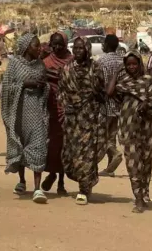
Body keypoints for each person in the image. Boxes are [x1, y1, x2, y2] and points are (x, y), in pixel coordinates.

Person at [106, 50, 152, 213]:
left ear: (139, 64)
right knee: (132, 161)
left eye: (134, 64)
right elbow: (109, 92)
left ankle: (144, 193)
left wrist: (147, 105)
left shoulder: (148, 80)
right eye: (128, 64)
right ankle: (137, 198)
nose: (131, 67)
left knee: (146, 160)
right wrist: (117, 72)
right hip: (128, 126)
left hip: (146, 127)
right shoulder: (123, 82)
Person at [1, 33, 50, 204]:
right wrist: (24, 85)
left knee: (39, 145)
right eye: (36, 46)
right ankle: (22, 181)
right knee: (20, 143)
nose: (39, 49)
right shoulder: (14, 64)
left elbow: (46, 86)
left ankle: (37, 188)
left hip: (36, 110)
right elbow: (6, 88)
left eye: (39, 46)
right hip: (18, 111)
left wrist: (44, 86)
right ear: (26, 47)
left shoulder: (40, 65)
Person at [58, 37, 107, 205]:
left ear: (87, 49)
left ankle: (84, 189)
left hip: (90, 118)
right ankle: (82, 182)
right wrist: (67, 104)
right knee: (70, 153)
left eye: (81, 48)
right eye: (76, 48)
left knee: (87, 153)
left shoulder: (96, 68)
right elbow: (61, 91)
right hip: (72, 119)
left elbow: (102, 93)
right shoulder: (66, 69)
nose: (78, 51)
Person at [41, 32, 73, 195]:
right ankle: (52, 173)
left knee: (64, 146)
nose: (58, 47)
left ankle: (61, 181)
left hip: (67, 109)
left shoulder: (71, 60)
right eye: (55, 44)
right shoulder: (46, 61)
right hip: (50, 108)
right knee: (51, 146)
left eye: (60, 44)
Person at [98, 34, 124, 177]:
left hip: (105, 103)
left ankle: (114, 153)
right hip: (119, 104)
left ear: (106, 45)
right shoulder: (123, 61)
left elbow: (99, 83)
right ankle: (110, 168)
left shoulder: (101, 61)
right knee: (112, 134)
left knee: (103, 135)